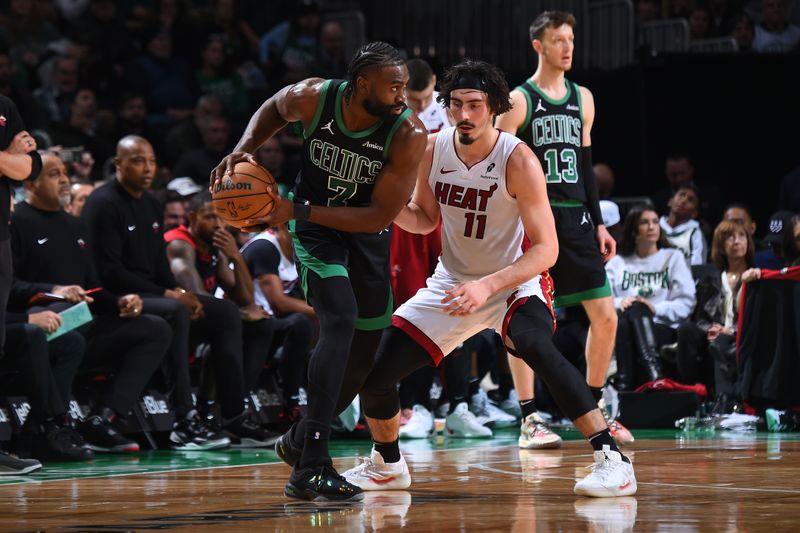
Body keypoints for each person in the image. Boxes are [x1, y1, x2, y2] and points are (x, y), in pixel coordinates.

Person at [333, 59, 636, 499]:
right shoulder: (432, 149)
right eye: (455, 105)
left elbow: (546, 250)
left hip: (514, 283)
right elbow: (424, 219)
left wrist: (487, 286)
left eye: (475, 105)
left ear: (494, 107)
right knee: (375, 373)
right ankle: (387, 465)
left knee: (537, 347)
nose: (464, 115)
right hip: (453, 282)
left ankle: (611, 458)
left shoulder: (518, 159)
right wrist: (386, 207)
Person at [210, 41, 426, 501]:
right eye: (394, 87)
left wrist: (296, 208)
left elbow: (376, 218)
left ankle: (299, 441)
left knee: (364, 358)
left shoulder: (408, 134)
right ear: (362, 85)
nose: (402, 96)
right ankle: (312, 465)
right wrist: (244, 148)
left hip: (364, 234)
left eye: (404, 86)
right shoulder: (314, 97)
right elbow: (273, 106)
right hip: (316, 235)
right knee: (340, 320)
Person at [495, 11, 631, 447]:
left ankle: (593, 409)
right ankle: (530, 418)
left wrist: (600, 223)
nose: (567, 47)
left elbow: (587, 166)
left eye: (570, 39)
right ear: (538, 45)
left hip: (577, 219)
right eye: (558, 40)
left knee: (605, 317)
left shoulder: (584, 97)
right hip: (535, 217)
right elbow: (497, 162)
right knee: (524, 320)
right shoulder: (519, 99)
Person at [163, 191, 279, 447]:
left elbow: (246, 298)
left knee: (261, 326)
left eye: (221, 218)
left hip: (201, 324)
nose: (217, 224)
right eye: (209, 217)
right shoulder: (179, 244)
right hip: (174, 324)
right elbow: (199, 302)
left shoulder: (213, 248)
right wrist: (241, 312)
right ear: (192, 218)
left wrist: (236, 256)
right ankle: (231, 414)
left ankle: (232, 412)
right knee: (228, 317)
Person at [606, 206, 696, 389]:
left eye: (655, 222)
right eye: (644, 222)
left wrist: (655, 308)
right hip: (626, 325)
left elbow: (687, 302)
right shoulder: (618, 263)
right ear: (633, 230)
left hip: (663, 326)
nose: (652, 227)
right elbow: (604, 300)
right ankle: (651, 376)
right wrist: (620, 302)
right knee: (628, 317)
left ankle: (626, 383)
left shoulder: (673, 258)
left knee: (637, 309)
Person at [659, 184, 707, 265]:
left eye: (690, 200)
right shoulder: (654, 226)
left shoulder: (696, 234)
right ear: (670, 202)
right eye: (682, 195)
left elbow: (697, 270)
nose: (684, 201)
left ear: (694, 213)